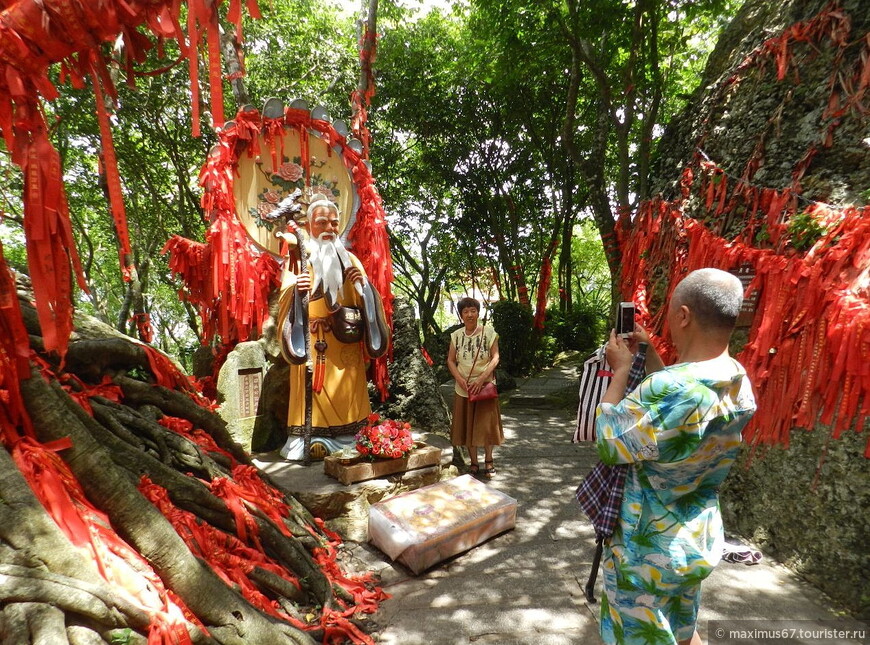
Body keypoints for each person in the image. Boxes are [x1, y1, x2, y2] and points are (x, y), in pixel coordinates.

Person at [594, 268, 757, 645]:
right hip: (693, 539)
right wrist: (649, 352)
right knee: (682, 631)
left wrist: (620, 372)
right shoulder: (735, 377)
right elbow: (679, 413)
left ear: (683, 315)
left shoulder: (669, 389)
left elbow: (609, 443)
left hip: (645, 552)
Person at [276, 194, 389, 461]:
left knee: (348, 392)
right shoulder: (298, 259)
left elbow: (369, 305)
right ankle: (308, 438)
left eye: (334, 223)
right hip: (312, 341)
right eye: (322, 223)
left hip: (344, 343)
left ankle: (352, 435)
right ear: (310, 226)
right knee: (311, 391)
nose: (329, 229)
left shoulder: (349, 259)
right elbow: (284, 300)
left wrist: (362, 286)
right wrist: (296, 290)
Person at [446, 297, 504, 477]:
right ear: (461, 315)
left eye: (473, 310)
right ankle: (473, 462)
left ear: (478, 312)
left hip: (485, 387)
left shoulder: (489, 333)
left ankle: (489, 460)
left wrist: (482, 378)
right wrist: (459, 379)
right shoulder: (456, 336)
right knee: (467, 427)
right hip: (463, 389)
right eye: (466, 311)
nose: (470, 314)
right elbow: (450, 360)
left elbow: (495, 358)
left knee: (486, 426)